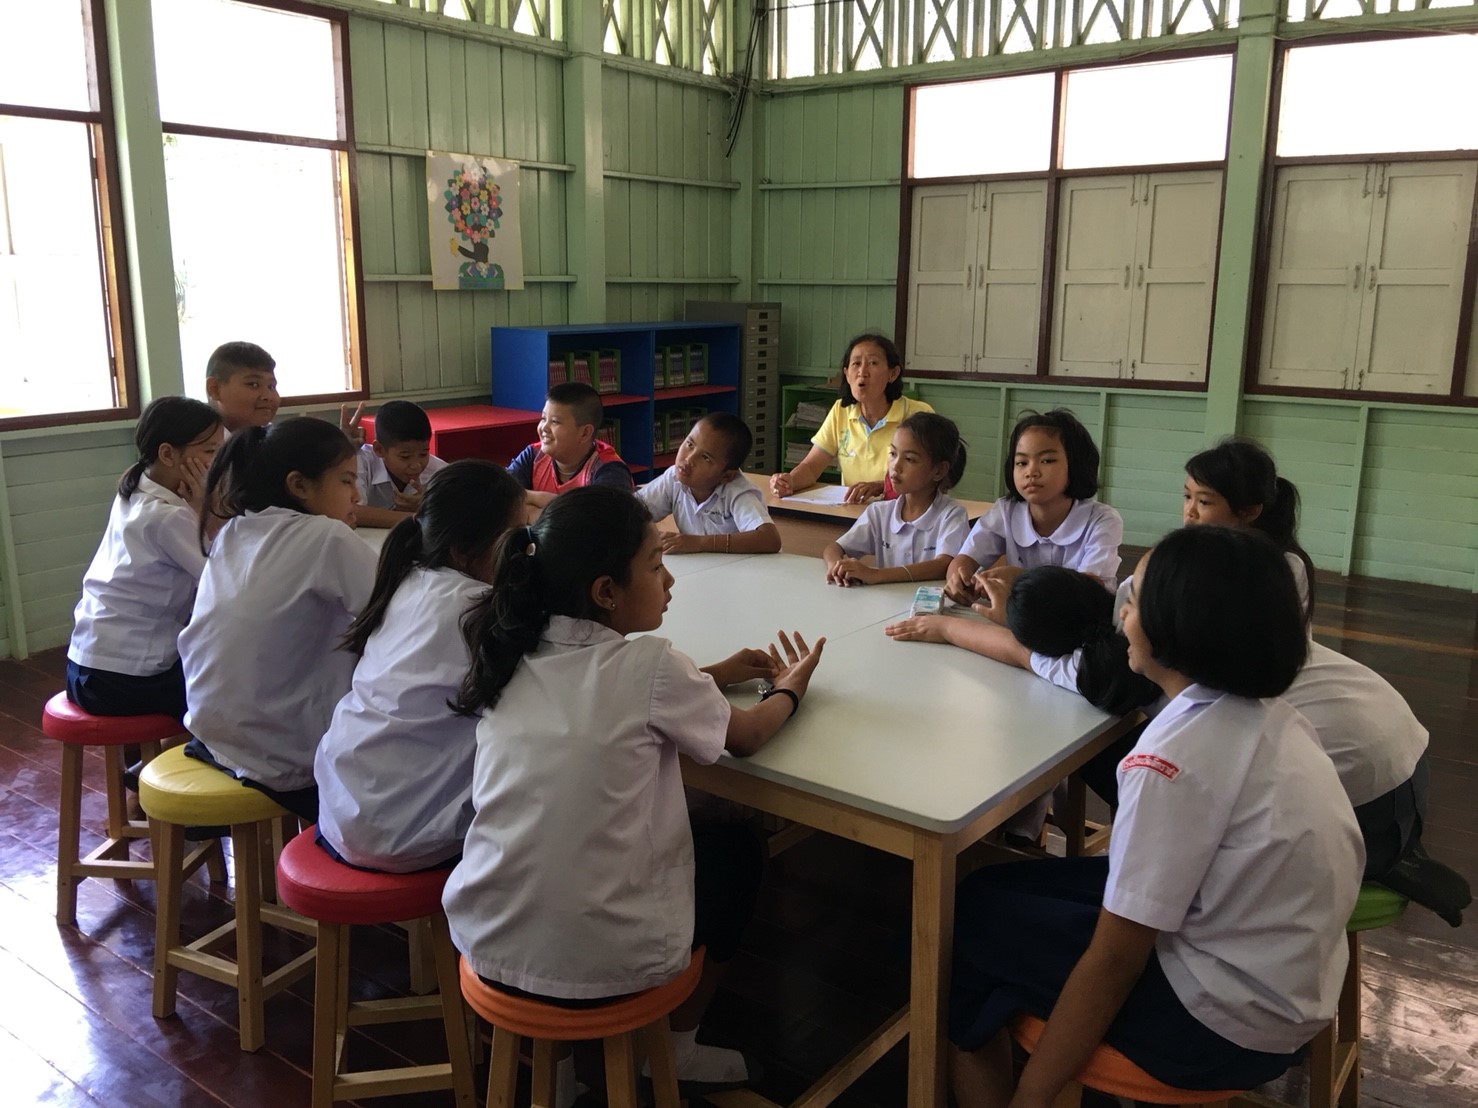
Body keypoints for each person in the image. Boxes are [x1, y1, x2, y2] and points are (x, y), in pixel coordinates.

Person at [948, 526, 1363, 1107]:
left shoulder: (1169, 760)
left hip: (1216, 1024)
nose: (1120, 613)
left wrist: (1034, 1097)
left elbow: (1116, 961)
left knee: (968, 930)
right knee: (986, 890)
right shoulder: (1274, 717)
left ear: (1180, 627)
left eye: (1136, 599)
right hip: (1290, 983)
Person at [442, 486, 824, 1104]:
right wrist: (793, 688)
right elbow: (748, 737)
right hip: (605, 958)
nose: (668, 580)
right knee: (737, 848)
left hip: (488, 939)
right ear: (605, 592)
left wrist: (715, 674)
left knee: (556, 845)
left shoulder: (510, 651)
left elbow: (611, 691)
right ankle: (676, 1050)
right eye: (654, 565)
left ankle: (554, 1074)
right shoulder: (652, 666)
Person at [315, 461, 524, 872]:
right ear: (463, 551)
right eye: (514, 538)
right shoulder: (478, 609)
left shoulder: (407, 579)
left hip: (340, 808)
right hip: (408, 832)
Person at [178, 418, 377, 822]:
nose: (356, 495)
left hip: (211, 734)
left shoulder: (235, 529)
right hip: (282, 759)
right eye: (345, 481)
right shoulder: (325, 537)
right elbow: (396, 613)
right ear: (299, 485)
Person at [66, 397, 224, 720]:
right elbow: (224, 582)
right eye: (211, 451)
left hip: (84, 667)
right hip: (123, 680)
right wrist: (205, 507)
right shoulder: (167, 516)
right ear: (167, 454)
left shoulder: (136, 488)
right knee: (235, 685)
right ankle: (195, 748)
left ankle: (168, 748)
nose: (219, 461)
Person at [945, 408, 1121, 607]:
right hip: (1020, 619)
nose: (1031, 472)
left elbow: (1088, 590)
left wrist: (1021, 578)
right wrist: (958, 579)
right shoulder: (1006, 511)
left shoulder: (1102, 520)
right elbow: (964, 559)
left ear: (1076, 464)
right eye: (1021, 462)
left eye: (1047, 460)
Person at [769, 333, 934, 504]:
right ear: (847, 374)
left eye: (873, 363)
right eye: (856, 364)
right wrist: (789, 481)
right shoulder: (841, 411)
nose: (862, 372)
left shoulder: (917, 414)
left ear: (893, 373)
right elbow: (811, 467)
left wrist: (882, 486)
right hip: (854, 511)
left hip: (903, 511)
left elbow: (929, 476)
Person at [823, 411, 969, 586]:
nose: (895, 466)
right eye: (893, 454)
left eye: (909, 459)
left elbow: (943, 565)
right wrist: (836, 566)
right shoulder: (879, 512)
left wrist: (876, 575)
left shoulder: (952, 514)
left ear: (938, 471)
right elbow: (834, 548)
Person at [1183, 437, 1315, 622]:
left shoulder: (1283, 566)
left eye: (1204, 501)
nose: (1190, 511)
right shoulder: (1182, 555)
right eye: (1187, 496)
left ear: (1249, 511)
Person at [637, 412, 781, 554]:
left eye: (705, 458)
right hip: (702, 565)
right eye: (690, 444)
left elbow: (769, 539)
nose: (689, 459)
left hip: (742, 567)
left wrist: (700, 542)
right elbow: (631, 512)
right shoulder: (674, 478)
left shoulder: (737, 492)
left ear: (726, 476)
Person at [507, 381, 634, 514]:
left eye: (555, 421)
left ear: (585, 433)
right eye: (543, 418)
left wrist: (532, 502)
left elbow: (596, 518)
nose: (544, 427)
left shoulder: (609, 469)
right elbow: (503, 495)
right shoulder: (533, 455)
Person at [351, 399, 448, 529]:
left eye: (424, 454)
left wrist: (429, 506)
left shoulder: (440, 471)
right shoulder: (360, 461)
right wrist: (423, 514)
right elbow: (351, 511)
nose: (416, 465)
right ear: (379, 449)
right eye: (405, 456)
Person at [204, 340, 280, 434]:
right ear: (215, 389)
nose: (268, 396)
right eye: (253, 384)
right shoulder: (195, 441)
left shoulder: (278, 439)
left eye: (271, 386)